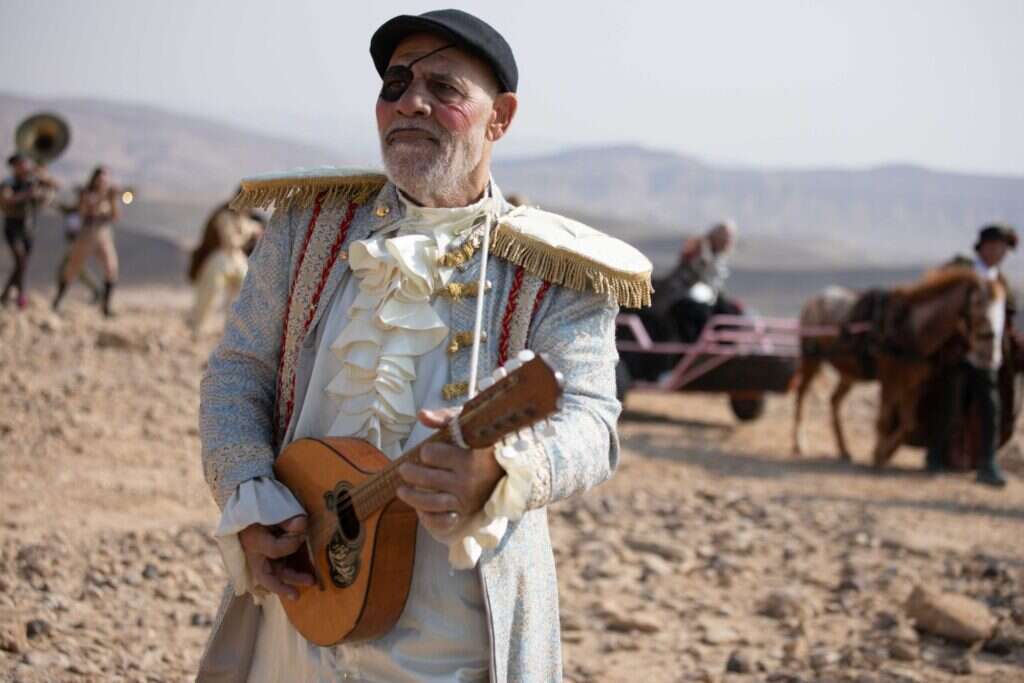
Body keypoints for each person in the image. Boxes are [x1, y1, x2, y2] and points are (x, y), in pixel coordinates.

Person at [196, 9, 652, 682]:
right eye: (397, 82)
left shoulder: (560, 267)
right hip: (298, 615)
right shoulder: (308, 225)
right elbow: (239, 371)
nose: (412, 100)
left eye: (444, 88)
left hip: (453, 637)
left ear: (500, 118)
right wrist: (247, 490)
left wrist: (504, 471)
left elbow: (590, 421)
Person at [926, 223, 1017, 487]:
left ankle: (987, 463)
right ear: (986, 246)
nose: (1001, 253)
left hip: (989, 357)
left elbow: (1007, 317)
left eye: (1004, 249)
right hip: (960, 354)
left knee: (990, 409)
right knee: (949, 404)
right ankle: (935, 456)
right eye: (998, 246)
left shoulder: (999, 280)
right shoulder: (963, 273)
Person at [187, 194, 265, 335]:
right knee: (210, 293)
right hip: (222, 258)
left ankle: (234, 329)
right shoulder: (224, 216)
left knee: (244, 292)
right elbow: (230, 241)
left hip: (238, 260)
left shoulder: (246, 219)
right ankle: (197, 326)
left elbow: (257, 229)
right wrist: (248, 232)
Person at [654, 219, 741, 342]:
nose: (728, 242)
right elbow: (692, 272)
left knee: (731, 311)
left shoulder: (718, 257)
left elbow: (713, 284)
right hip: (681, 297)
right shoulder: (699, 248)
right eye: (725, 237)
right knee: (699, 313)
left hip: (703, 296)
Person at [53, 166, 122, 316]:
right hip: (86, 235)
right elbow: (83, 212)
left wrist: (113, 200)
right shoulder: (87, 194)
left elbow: (115, 217)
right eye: (101, 179)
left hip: (103, 235)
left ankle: (106, 307)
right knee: (72, 269)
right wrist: (95, 201)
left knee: (111, 269)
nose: (103, 182)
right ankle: (57, 301)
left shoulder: (109, 197)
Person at [1, 153, 58, 309]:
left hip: (29, 228)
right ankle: (20, 297)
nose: (24, 167)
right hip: (13, 226)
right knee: (21, 260)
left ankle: (6, 295)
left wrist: (42, 176)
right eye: (20, 164)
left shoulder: (32, 182)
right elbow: (6, 199)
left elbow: (54, 187)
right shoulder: (9, 183)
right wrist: (26, 194)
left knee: (22, 264)